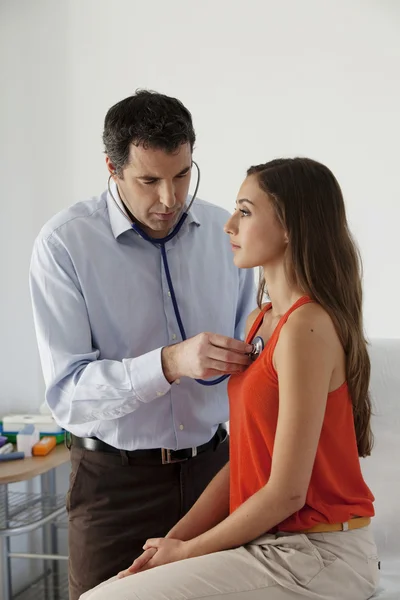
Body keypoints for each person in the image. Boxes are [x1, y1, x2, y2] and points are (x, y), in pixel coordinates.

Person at [80, 157, 379, 600]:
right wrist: (171, 544)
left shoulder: (306, 328)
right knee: (119, 588)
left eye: (245, 210)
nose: (228, 226)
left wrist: (187, 554)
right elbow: (242, 458)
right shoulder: (260, 322)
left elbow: (286, 495)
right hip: (275, 545)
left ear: (290, 226)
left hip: (319, 555)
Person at [29, 90, 256, 600]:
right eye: (149, 181)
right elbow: (67, 393)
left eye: (181, 175)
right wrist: (169, 363)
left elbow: (253, 353)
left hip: (215, 475)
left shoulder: (229, 235)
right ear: (112, 168)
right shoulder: (64, 244)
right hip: (114, 486)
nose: (170, 199)